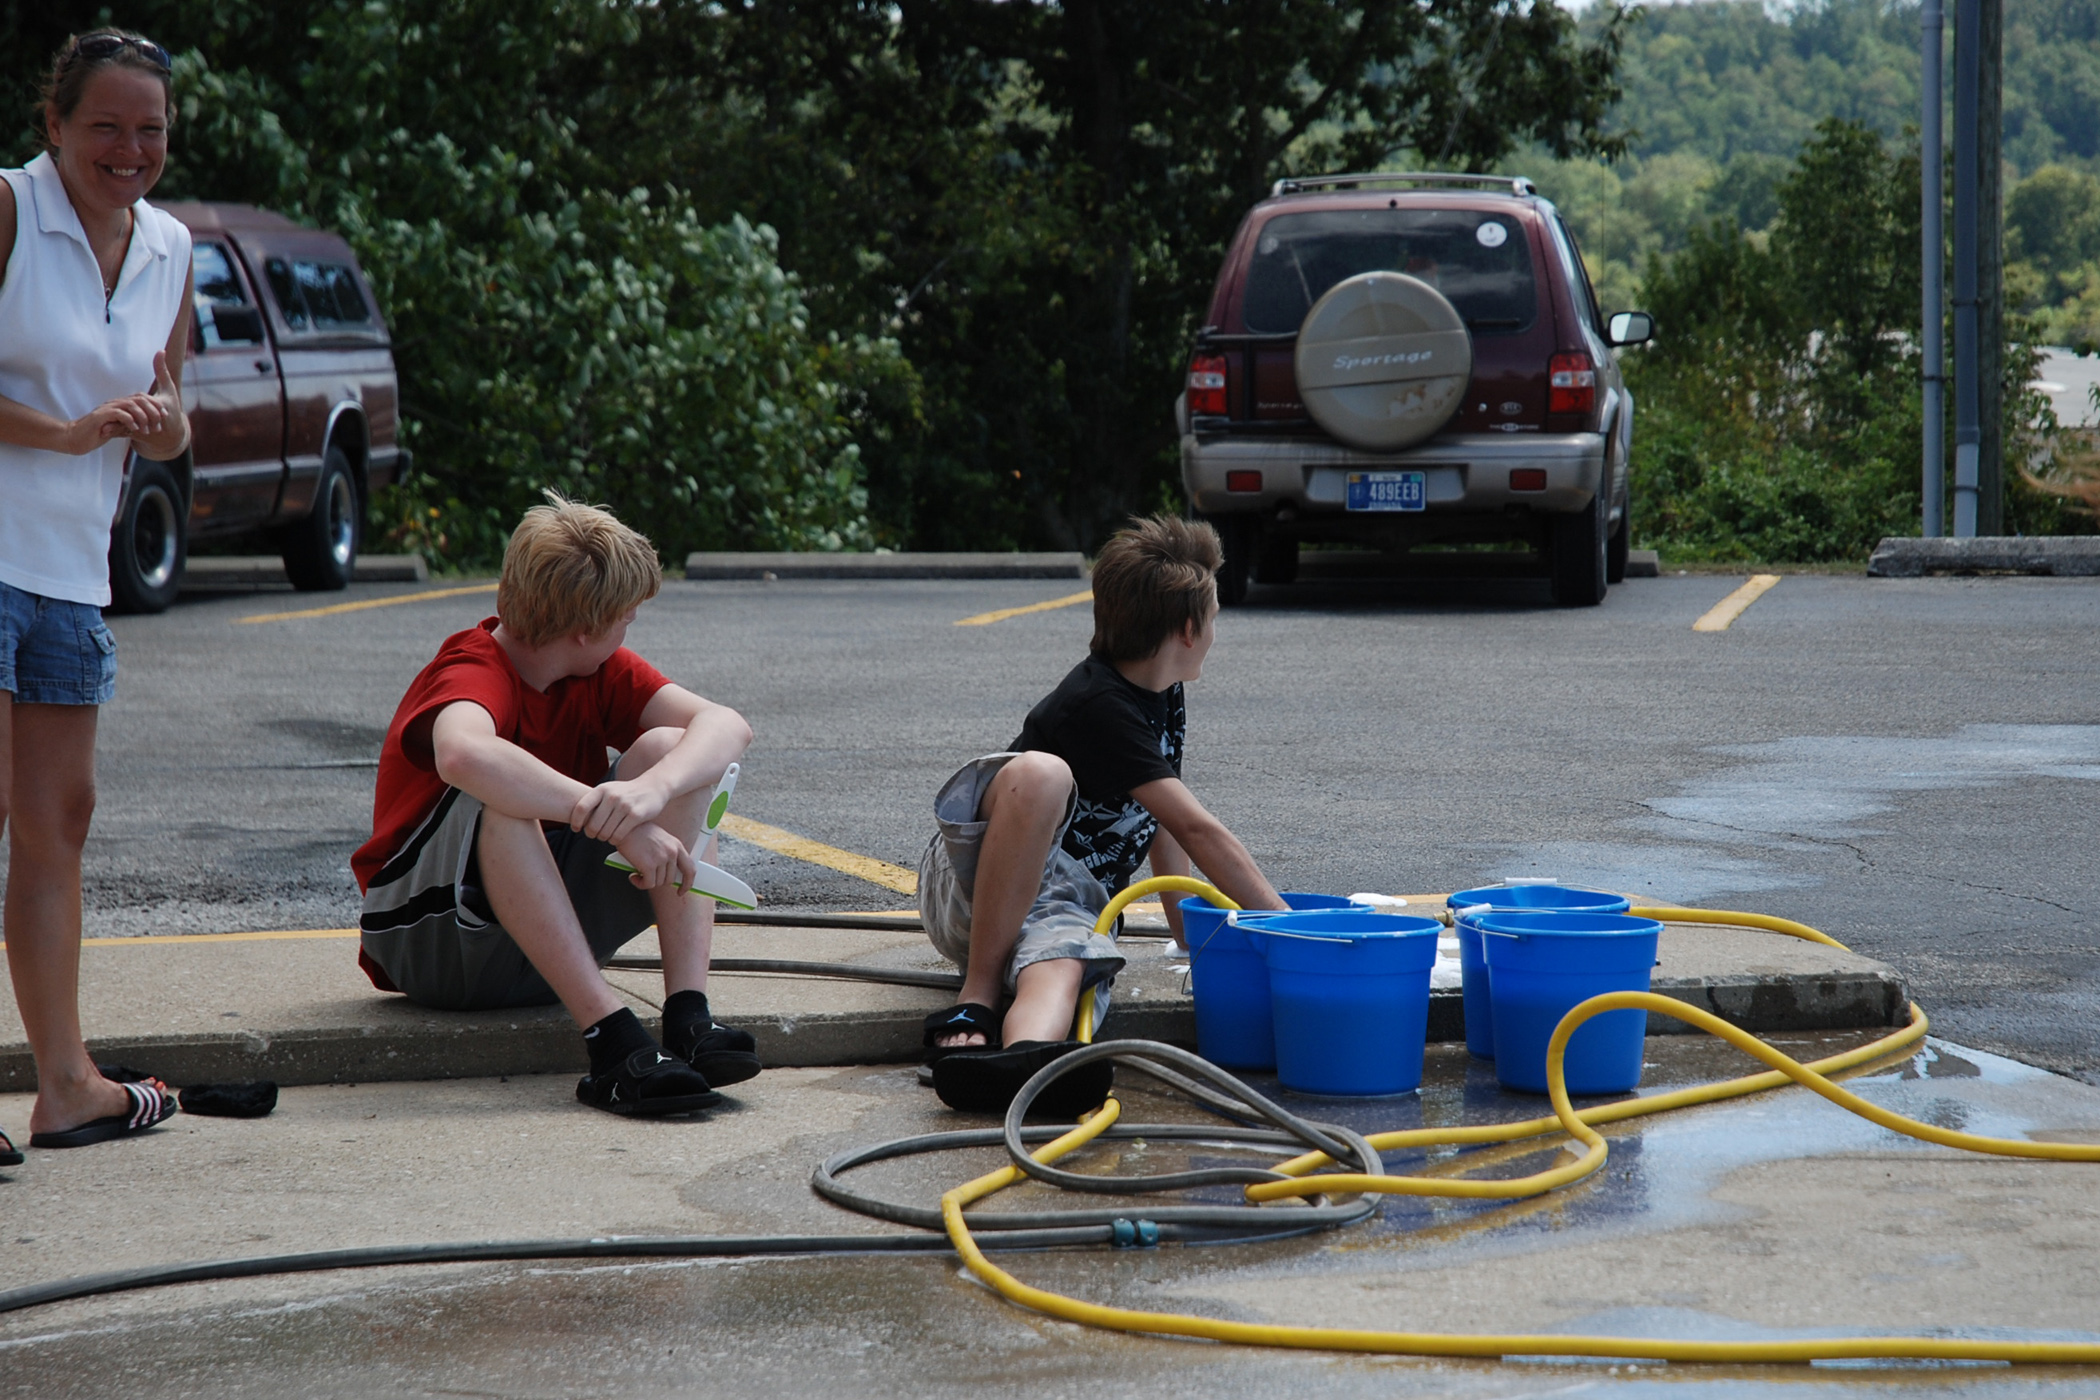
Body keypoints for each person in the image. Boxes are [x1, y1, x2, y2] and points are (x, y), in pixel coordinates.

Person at [353, 495, 760, 1115]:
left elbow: (728, 725)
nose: (628, 632)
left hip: (533, 948)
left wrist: (649, 792)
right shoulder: (472, 666)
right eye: (626, 619)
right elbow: (461, 754)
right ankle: (612, 1045)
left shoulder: (595, 670)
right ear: (584, 630)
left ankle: (688, 1017)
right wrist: (613, 822)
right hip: (433, 946)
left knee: (669, 751)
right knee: (499, 798)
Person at [918, 514, 1288, 1116]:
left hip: (1065, 902)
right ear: (1189, 629)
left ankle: (1027, 1062)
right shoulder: (1095, 701)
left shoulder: (1164, 689)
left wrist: (1184, 928)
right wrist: (1291, 930)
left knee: (1067, 959)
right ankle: (978, 995)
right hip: (977, 882)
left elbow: (1163, 816)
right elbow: (1198, 827)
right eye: (1215, 618)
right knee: (1043, 774)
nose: (1216, 634)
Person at [0, 29, 194, 1155]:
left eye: (150, 129)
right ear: (54, 125)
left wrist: (158, 426)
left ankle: (67, 1084)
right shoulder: (9, 209)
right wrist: (66, 433)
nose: (130, 148)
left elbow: (172, 422)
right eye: (106, 126)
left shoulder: (170, 244)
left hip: (72, 573)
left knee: (56, 824)